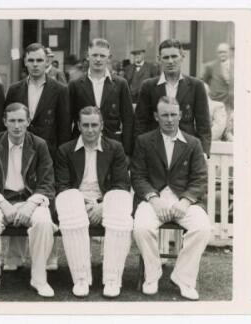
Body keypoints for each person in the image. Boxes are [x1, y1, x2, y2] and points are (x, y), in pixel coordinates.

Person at [131, 96, 211, 301]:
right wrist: (154, 199)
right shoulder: (144, 141)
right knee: (141, 227)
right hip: (153, 199)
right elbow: (138, 176)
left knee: (202, 228)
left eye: (173, 114)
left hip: (184, 201)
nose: (169, 119)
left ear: (181, 116)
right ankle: (152, 274)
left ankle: (183, 278)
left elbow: (200, 179)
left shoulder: (193, 143)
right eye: (164, 115)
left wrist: (185, 201)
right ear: (156, 116)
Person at [0, 103, 56, 298]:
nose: (17, 126)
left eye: (21, 120)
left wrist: (30, 205)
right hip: (0, 199)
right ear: (5, 122)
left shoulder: (39, 144)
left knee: (44, 221)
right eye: (12, 121)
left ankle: (39, 278)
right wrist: (3, 204)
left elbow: (47, 183)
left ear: (28, 122)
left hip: (30, 199)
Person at [4, 43, 72, 272]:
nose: (35, 65)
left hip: (48, 152)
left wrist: (60, 156)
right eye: (31, 60)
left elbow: (64, 126)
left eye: (39, 60)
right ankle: (14, 256)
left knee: (46, 203)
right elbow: (10, 120)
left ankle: (49, 256)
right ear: (25, 62)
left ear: (48, 62)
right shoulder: (14, 89)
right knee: (17, 195)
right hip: (19, 149)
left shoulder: (60, 89)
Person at [54, 106, 132, 298]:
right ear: (78, 126)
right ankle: (81, 278)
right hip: (77, 203)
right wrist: (85, 206)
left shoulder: (115, 148)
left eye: (94, 125)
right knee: (68, 198)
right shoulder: (65, 150)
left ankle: (112, 279)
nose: (90, 130)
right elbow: (62, 186)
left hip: (106, 201)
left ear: (102, 125)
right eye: (86, 125)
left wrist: (102, 206)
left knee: (120, 199)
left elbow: (122, 183)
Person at [134, 39, 211, 156]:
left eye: (174, 56)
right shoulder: (148, 86)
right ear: (159, 59)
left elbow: (203, 125)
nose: (170, 61)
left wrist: (204, 152)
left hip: (186, 151)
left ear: (182, 56)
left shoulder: (196, 86)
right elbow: (140, 123)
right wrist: (139, 152)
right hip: (155, 152)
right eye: (166, 57)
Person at [68, 38, 134, 156]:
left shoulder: (120, 84)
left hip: (112, 147)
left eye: (102, 56)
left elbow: (128, 120)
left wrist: (127, 151)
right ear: (87, 56)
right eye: (94, 55)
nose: (98, 59)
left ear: (109, 57)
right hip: (82, 146)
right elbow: (68, 120)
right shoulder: (75, 85)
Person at [202, 42, 234, 140]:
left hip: (231, 101)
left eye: (224, 52)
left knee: (230, 122)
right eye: (220, 52)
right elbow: (204, 81)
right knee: (219, 123)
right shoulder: (211, 66)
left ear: (229, 52)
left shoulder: (237, 65)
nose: (222, 54)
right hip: (217, 100)